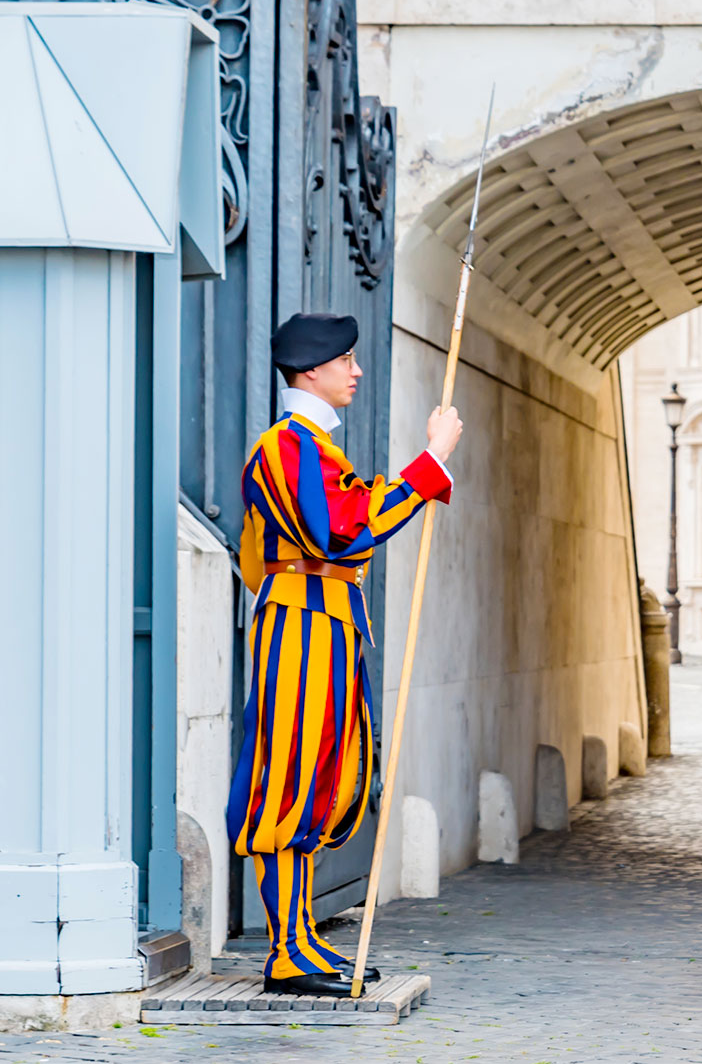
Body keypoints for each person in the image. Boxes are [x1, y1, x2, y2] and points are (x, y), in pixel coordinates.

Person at [226, 312, 463, 996]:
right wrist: (431, 461)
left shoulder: (312, 446)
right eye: (346, 361)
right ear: (311, 371)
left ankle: (300, 943)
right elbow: (343, 530)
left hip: (321, 622)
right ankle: (287, 953)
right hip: (302, 626)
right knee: (289, 780)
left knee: (319, 779)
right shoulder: (289, 445)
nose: (356, 372)